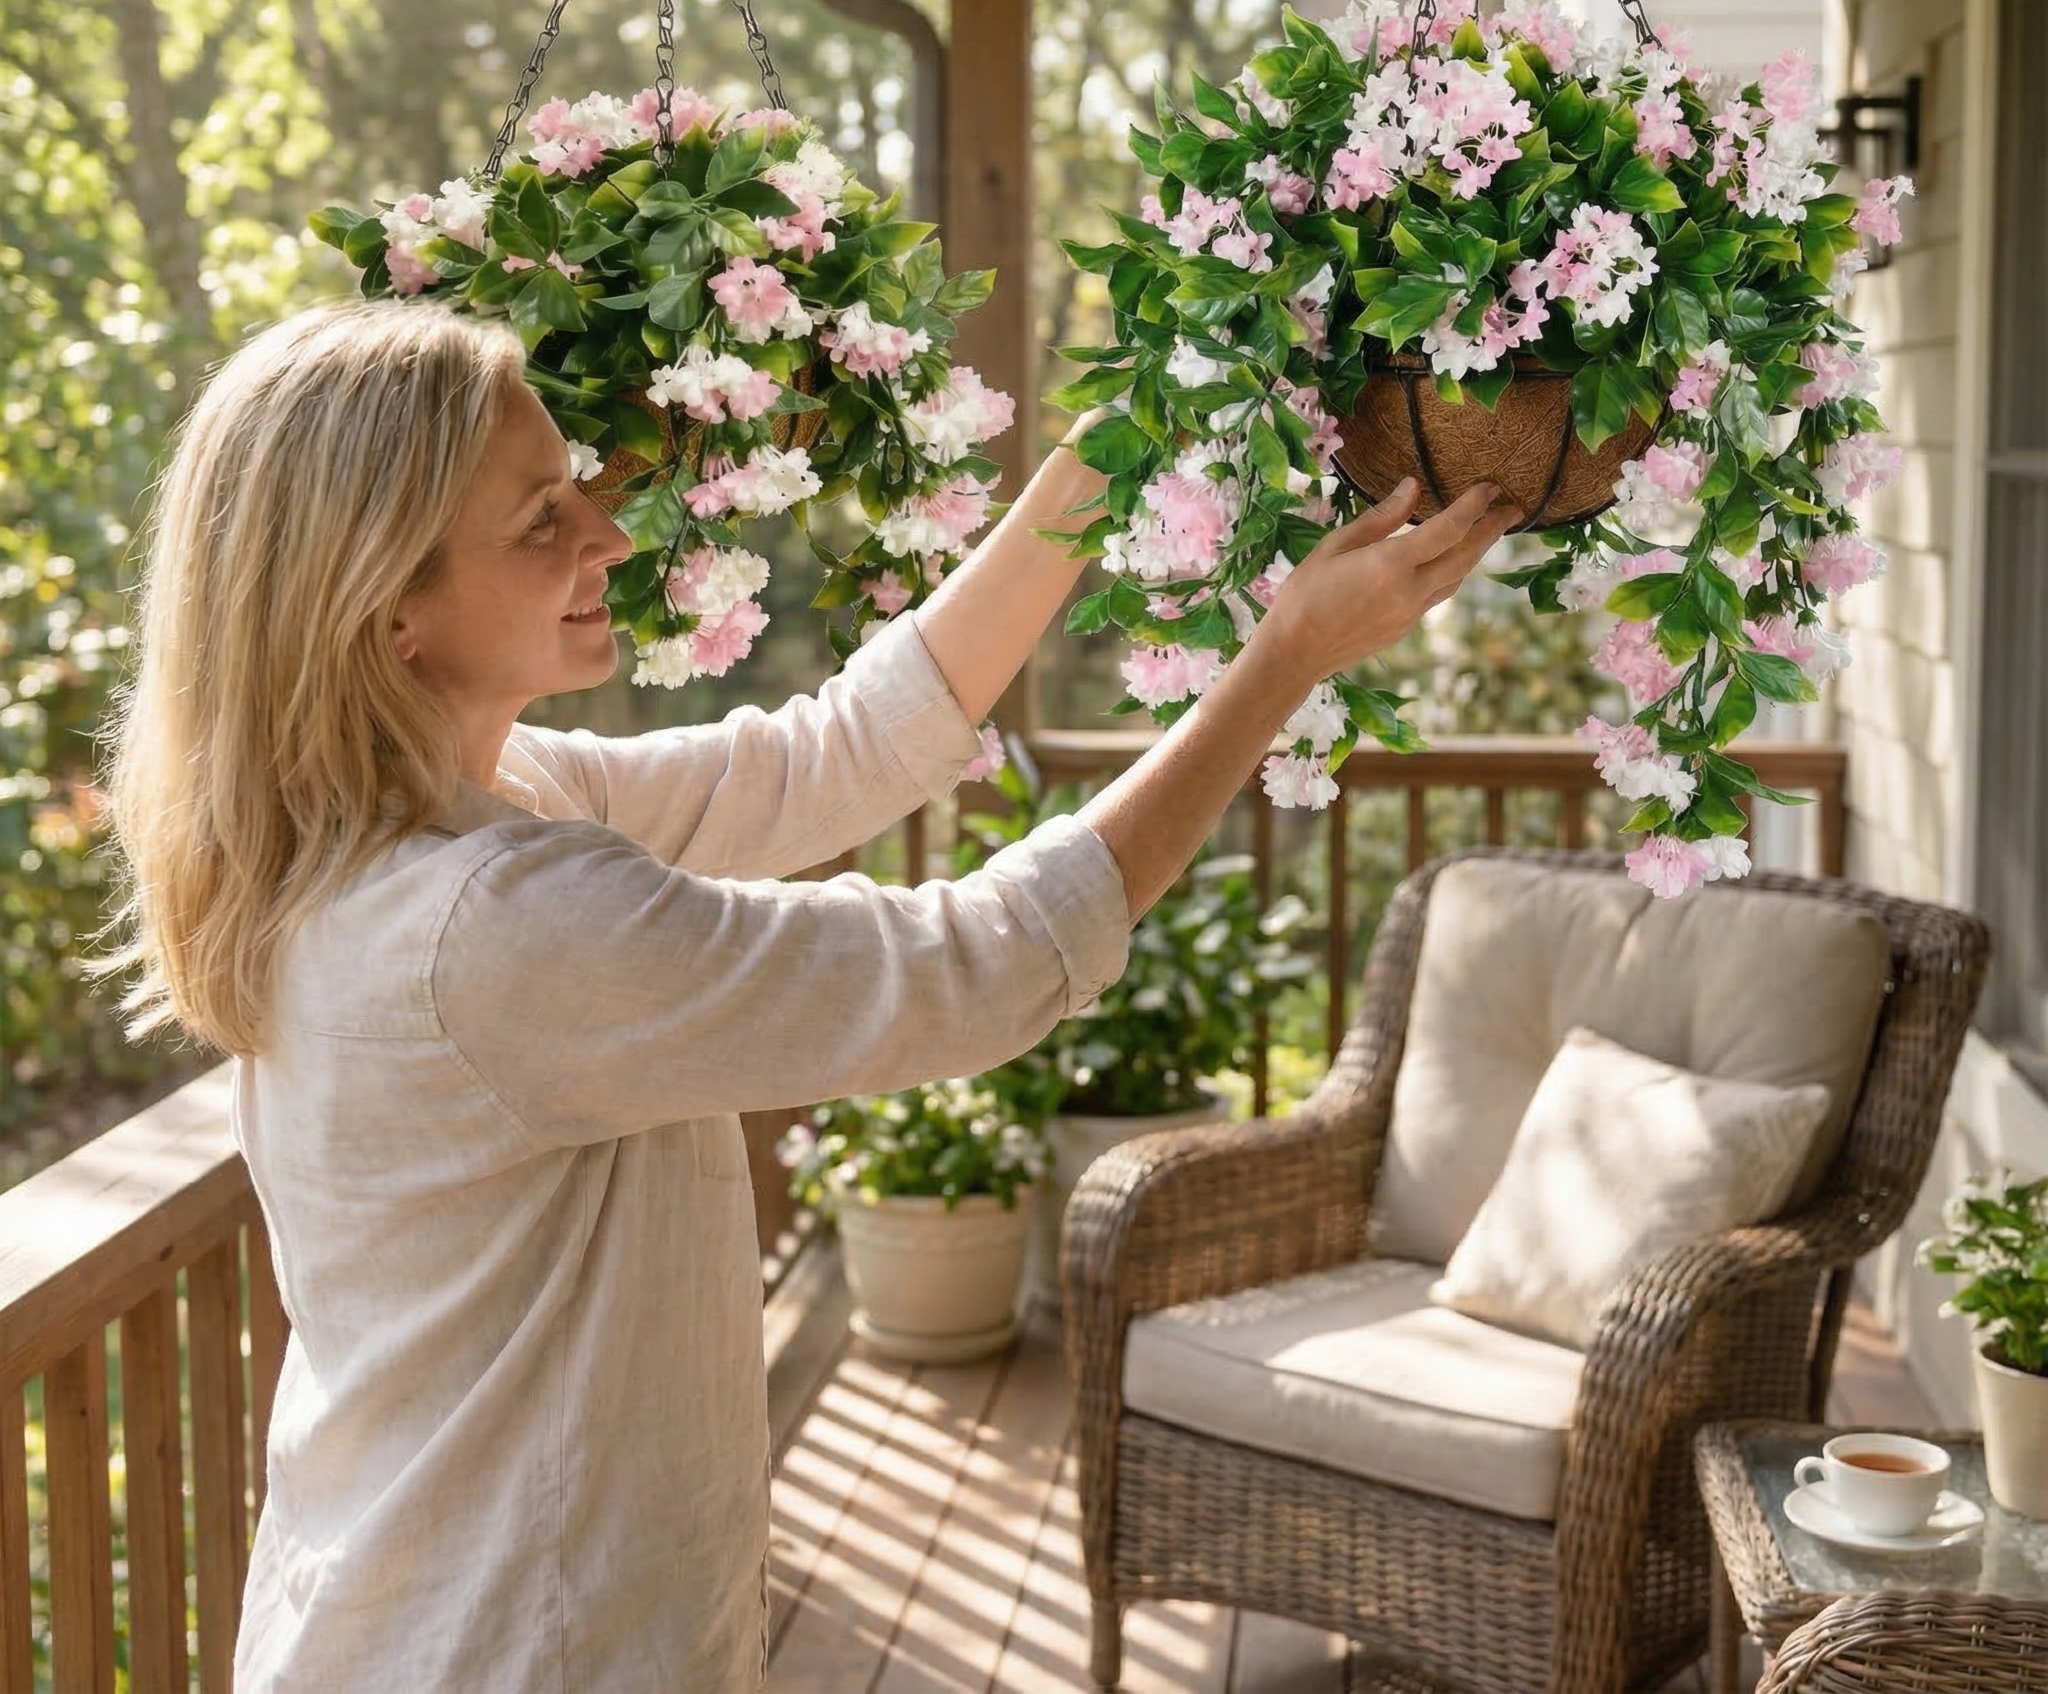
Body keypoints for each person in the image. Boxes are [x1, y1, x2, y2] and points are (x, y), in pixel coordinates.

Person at [103, 297, 1515, 1691]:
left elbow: (826, 756)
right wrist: (1278, 666)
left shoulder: (440, 816)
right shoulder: (490, 925)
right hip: (507, 1642)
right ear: (388, 610)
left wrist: (1093, 467)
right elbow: (979, 966)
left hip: (418, 1602)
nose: (606, 533)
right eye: (541, 521)